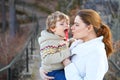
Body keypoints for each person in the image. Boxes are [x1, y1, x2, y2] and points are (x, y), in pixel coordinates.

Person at [40, 9, 114, 80]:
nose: (71, 27)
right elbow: (52, 56)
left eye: (77, 25)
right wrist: (44, 69)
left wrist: (68, 65)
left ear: (89, 28)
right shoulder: (77, 43)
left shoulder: (96, 53)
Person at [38, 11, 71, 80]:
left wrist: (71, 41)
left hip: (60, 69)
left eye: (67, 23)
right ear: (53, 28)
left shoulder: (59, 38)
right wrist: (67, 52)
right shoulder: (49, 42)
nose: (66, 25)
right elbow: (47, 58)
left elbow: (63, 46)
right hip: (52, 72)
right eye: (62, 24)